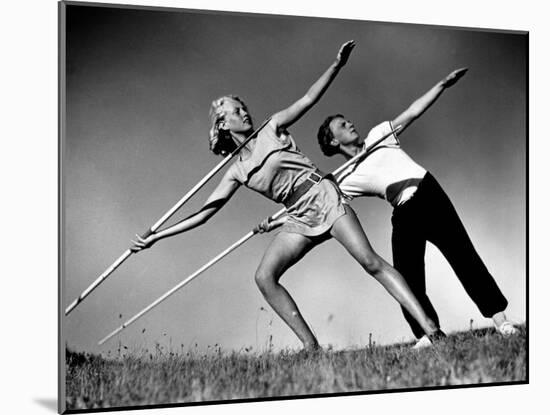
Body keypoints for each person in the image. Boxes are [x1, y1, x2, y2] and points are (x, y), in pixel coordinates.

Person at [131, 41, 444, 351]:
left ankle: (431, 331)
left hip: (323, 197)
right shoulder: (236, 170)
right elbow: (205, 212)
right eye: (236, 110)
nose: (244, 111)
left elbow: (308, 98)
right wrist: (158, 235)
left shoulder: (272, 126)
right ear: (224, 124)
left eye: (243, 107)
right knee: (264, 277)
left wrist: (336, 66)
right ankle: (311, 347)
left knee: (370, 262)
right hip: (297, 217)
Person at [316, 68, 517, 349]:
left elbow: (412, 112)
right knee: (405, 274)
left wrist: (442, 85)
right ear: (333, 141)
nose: (349, 123)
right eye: (341, 124)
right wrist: (274, 222)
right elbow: (318, 202)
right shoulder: (345, 178)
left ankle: (500, 319)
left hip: (428, 194)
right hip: (403, 212)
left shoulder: (379, 135)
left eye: (346, 120)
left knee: (462, 255)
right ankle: (427, 334)